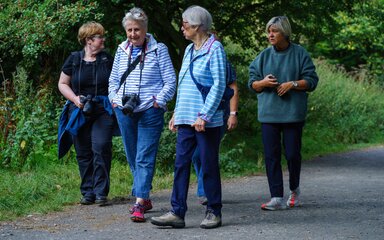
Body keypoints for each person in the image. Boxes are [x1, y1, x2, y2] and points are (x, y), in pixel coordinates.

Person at [150, 5, 226, 229]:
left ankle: (214, 211)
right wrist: (177, 113)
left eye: (185, 24)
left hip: (206, 120)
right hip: (186, 117)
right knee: (181, 164)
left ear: (197, 26)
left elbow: (219, 84)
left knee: (208, 164)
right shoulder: (189, 50)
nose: (182, 28)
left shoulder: (215, 49)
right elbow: (184, 83)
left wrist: (205, 115)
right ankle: (177, 212)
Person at [108, 7, 176, 222]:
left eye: (137, 29)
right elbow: (112, 80)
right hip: (124, 109)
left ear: (145, 29)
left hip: (149, 110)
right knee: (132, 154)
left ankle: (139, 202)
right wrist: (114, 99)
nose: (133, 34)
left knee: (144, 156)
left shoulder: (159, 49)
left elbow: (170, 82)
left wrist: (159, 101)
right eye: (129, 30)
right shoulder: (121, 50)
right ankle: (144, 196)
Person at [248, 16, 319, 210]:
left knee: (292, 154)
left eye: (275, 31)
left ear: (285, 33)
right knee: (271, 155)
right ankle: (276, 197)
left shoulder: (300, 54)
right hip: (268, 114)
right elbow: (252, 83)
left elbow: (311, 81)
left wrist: (293, 84)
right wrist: (262, 83)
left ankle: (294, 189)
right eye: (268, 31)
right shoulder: (263, 56)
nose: (270, 35)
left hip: (292, 114)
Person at [58, 21, 114, 205]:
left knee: (101, 146)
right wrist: (75, 99)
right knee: (83, 152)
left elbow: (117, 83)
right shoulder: (74, 59)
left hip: (102, 109)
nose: (103, 39)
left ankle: (100, 192)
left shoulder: (107, 59)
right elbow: (62, 83)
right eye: (100, 36)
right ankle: (87, 192)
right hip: (79, 110)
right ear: (89, 40)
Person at [192, 80, 239, 206]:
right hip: (195, 114)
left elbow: (233, 87)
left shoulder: (221, 62)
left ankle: (204, 192)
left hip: (218, 114)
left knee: (205, 154)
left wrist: (233, 113)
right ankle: (206, 186)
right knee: (196, 156)